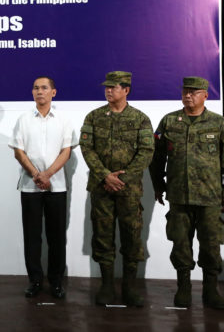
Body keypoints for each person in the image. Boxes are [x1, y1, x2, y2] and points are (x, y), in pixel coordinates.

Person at [149, 76, 224, 309]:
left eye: (193, 92)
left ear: (205, 95)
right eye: (185, 91)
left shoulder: (219, 123)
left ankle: (211, 290)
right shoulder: (170, 121)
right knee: (180, 243)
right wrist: (158, 185)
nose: (188, 95)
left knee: (211, 245)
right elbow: (156, 157)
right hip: (179, 196)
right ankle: (184, 288)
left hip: (210, 197)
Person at [79, 71, 154, 307]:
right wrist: (105, 175)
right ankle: (107, 286)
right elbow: (86, 148)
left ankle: (130, 287)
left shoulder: (140, 119)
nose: (109, 90)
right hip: (101, 188)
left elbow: (146, 151)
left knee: (132, 237)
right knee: (103, 236)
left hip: (129, 190)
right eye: (107, 87)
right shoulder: (94, 117)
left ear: (126, 90)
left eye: (114, 87)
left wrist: (123, 178)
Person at [8, 77, 77, 299]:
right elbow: (18, 151)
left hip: (57, 186)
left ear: (53, 92)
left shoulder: (64, 120)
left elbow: (66, 151)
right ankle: (35, 281)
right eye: (36, 88)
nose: (40, 91)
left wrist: (47, 174)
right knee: (32, 236)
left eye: (44, 88)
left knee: (57, 237)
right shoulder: (23, 119)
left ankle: (56, 282)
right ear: (32, 92)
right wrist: (36, 175)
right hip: (30, 186)